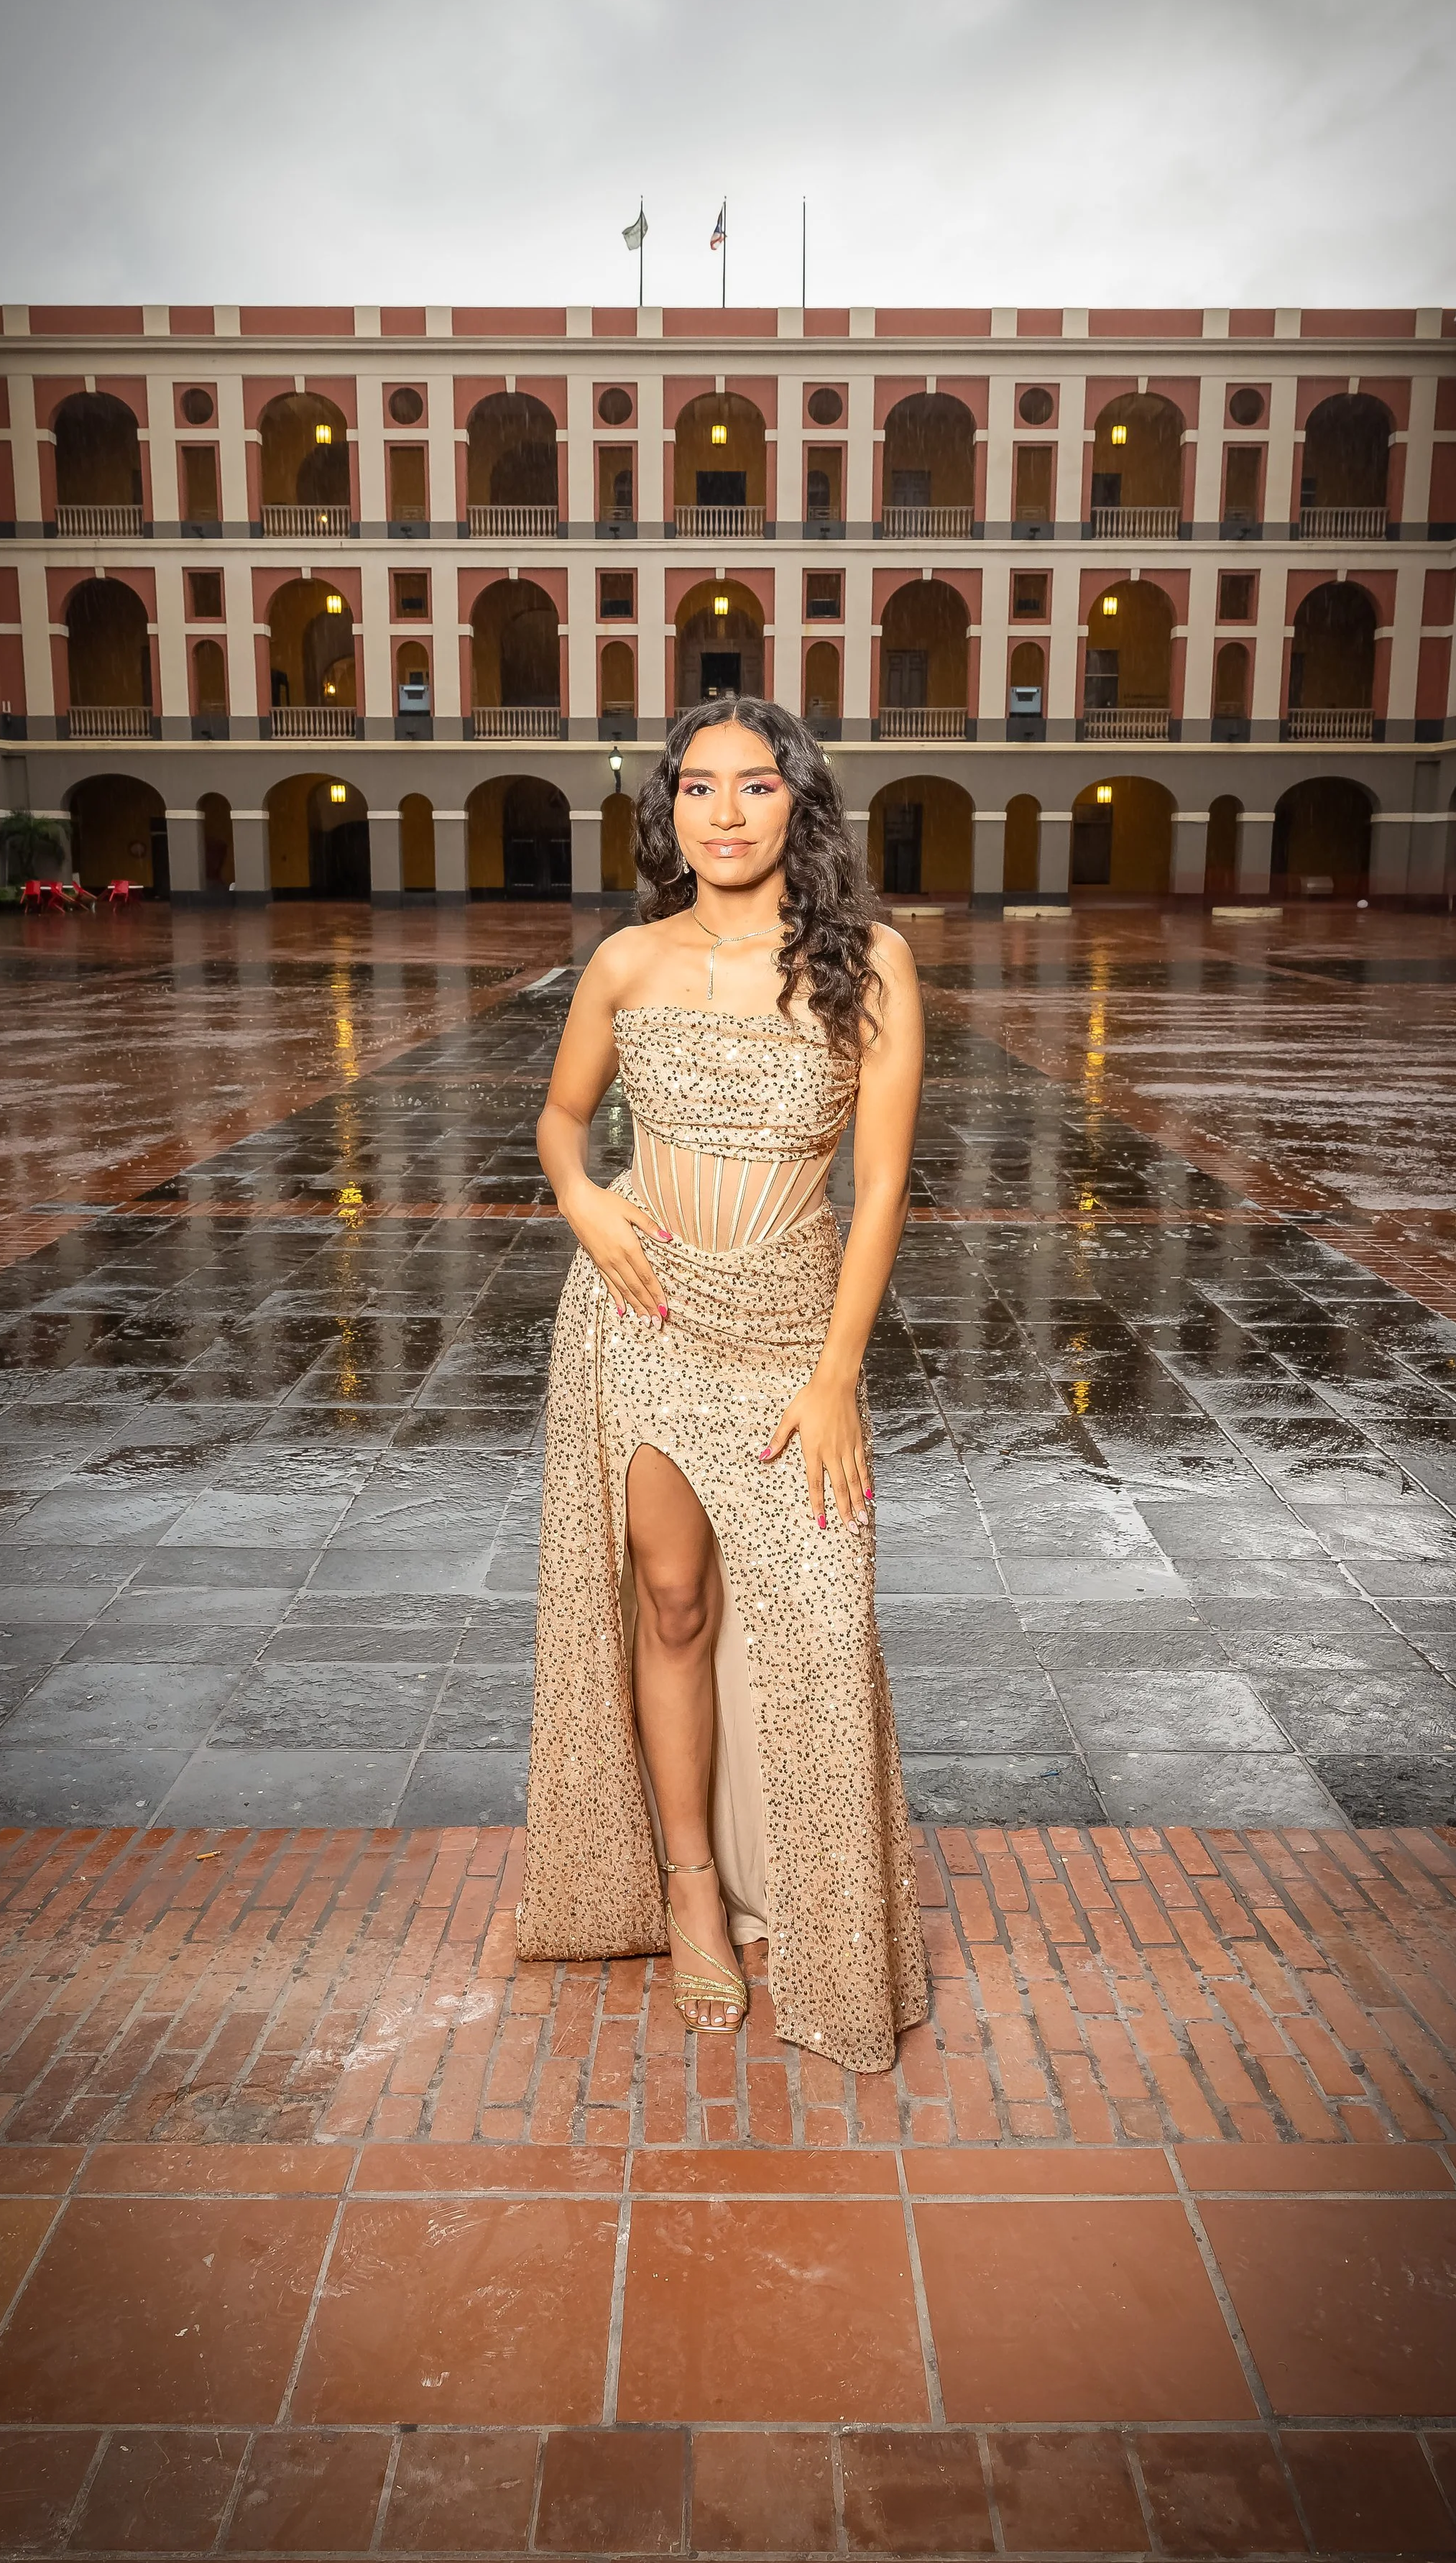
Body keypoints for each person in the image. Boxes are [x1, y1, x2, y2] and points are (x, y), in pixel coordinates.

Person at [515, 695, 928, 2071]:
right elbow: (563, 1120)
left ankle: (818, 1900)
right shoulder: (627, 963)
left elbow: (880, 1192)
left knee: (818, 1617)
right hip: (645, 1314)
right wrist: (583, 1201)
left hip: (792, 1338)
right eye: (700, 788)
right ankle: (692, 1887)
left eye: (757, 787)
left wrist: (837, 1378)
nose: (727, 814)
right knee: (673, 1599)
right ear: (669, 809)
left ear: (800, 806)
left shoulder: (867, 964)